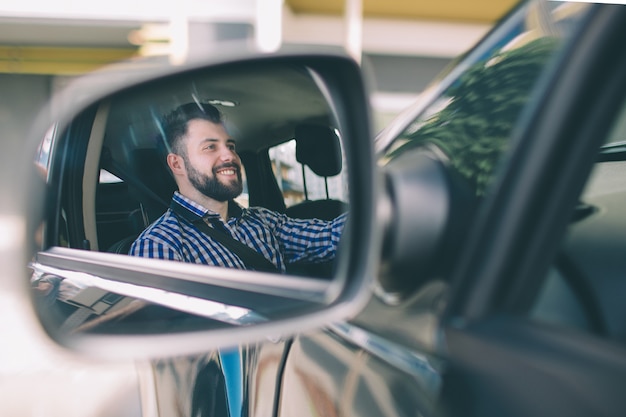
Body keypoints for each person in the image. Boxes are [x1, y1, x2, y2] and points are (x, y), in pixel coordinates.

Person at [129, 102, 347, 273]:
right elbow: (173, 328)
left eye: (230, 146)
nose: (229, 156)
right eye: (210, 147)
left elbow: (330, 237)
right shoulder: (160, 246)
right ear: (177, 164)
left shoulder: (263, 220)